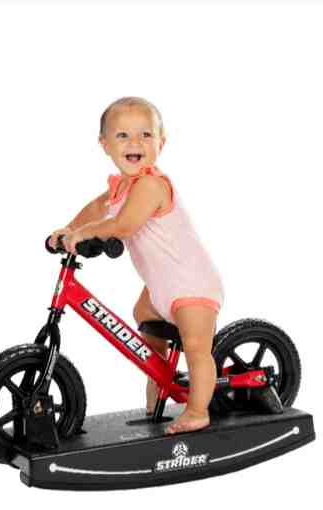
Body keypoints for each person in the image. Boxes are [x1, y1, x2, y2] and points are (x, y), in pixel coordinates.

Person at [48, 97, 224, 434]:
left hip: (192, 284)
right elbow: (97, 209)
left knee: (196, 348)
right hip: (160, 287)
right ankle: (161, 384)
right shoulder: (120, 188)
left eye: (145, 135)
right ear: (105, 145)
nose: (135, 143)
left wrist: (86, 233)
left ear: (161, 142)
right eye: (123, 135)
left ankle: (198, 410)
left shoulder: (151, 185)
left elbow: (124, 225)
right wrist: (69, 229)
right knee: (147, 327)